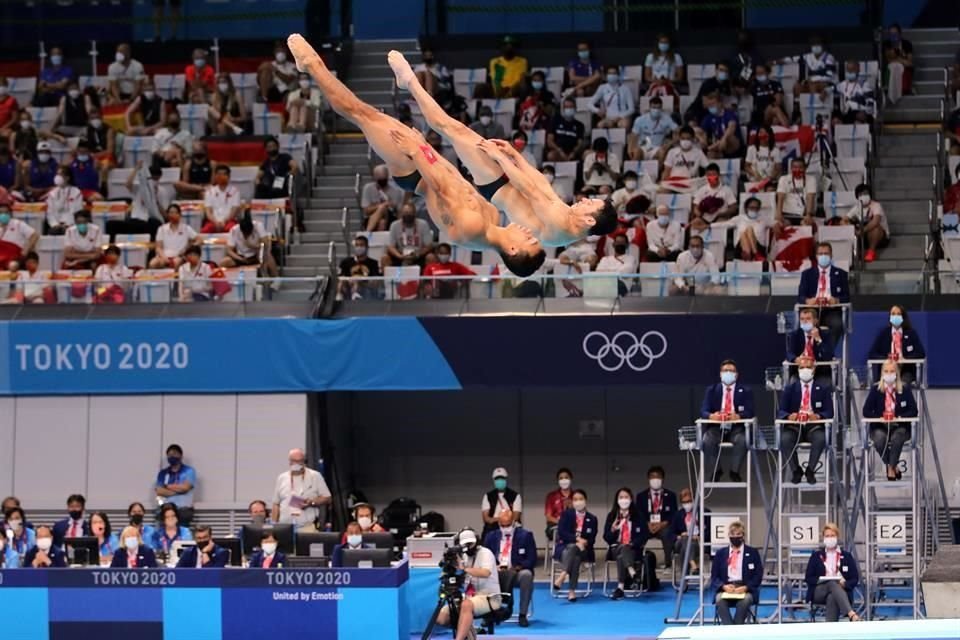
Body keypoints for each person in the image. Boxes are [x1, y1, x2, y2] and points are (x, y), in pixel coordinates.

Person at [290, 35, 544, 276]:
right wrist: (428, 150)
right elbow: (454, 178)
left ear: (513, 250)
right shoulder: (493, 217)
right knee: (371, 116)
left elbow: (441, 187)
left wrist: (417, 151)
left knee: (363, 114)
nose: (529, 233)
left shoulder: (474, 230)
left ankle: (311, 65)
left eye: (529, 240)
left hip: (416, 172)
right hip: (428, 163)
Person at [778, 354, 834, 484]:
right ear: (798, 370)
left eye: (808, 367)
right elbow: (781, 411)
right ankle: (796, 470)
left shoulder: (823, 388)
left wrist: (818, 416)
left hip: (813, 427)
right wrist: (789, 416)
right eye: (801, 367)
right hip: (794, 426)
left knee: (821, 438)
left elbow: (829, 412)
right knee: (784, 439)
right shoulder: (790, 389)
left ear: (814, 369)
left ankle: (810, 470)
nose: (805, 370)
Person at [436, 528, 501, 640]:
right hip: (469, 597)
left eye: (471, 544)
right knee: (441, 617)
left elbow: (485, 572)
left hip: (490, 597)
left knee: (466, 605)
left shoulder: (486, 553)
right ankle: (469, 631)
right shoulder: (464, 556)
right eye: (466, 544)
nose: (469, 547)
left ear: (476, 542)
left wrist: (464, 568)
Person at [863, 359, 919, 482]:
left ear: (897, 373)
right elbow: (866, 411)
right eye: (886, 371)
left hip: (899, 426)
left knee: (897, 437)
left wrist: (898, 417)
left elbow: (914, 411)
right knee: (879, 438)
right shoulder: (875, 390)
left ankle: (890, 467)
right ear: (882, 373)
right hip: (880, 426)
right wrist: (879, 417)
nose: (889, 374)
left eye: (892, 371)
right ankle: (892, 466)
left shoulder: (905, 389)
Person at [700, 360, 753, 482]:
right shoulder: (711, 390)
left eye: (731, 371)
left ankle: (734, 471)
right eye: (725, 371)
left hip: (736, 428)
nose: (728, 373)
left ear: (736, 375)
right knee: (707, 440)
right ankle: (716, 470)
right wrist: (711, 416)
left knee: (743, 440)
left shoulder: (745, 391)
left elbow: (750, 412)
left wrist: (739, 416)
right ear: (720, 374)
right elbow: (703, 410)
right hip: (716, 427)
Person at [483, 509, 536, 625]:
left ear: (514, 522)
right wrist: (493, 567)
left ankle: (522, 615)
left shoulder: (526, 535)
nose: (505, 527)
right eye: (503, 525)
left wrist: (517, 568)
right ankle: (489, 614)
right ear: (498, 524)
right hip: (496, 573)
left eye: (508, 525)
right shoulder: (490, 537)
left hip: (516, 571)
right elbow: (483, 557)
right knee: (482, 575)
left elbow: (532, 560)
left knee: (527, 575)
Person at [804, 523, 861, 621]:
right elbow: (808, 577)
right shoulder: (816, 556)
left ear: (837, 537)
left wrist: (845, 584)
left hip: (840, 591)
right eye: (827, 536)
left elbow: (855, 578)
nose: (830, 538)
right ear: (823, 538)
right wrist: (820, 580)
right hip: (819, 591)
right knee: (831, 583)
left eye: (832, 535)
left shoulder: (846, 556)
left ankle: (830, 631)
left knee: (832, 597)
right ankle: (851, 613)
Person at [797, 242, 850, 347]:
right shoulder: (807, 274)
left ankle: (826, 352)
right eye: (820, 254)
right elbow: (800, 297)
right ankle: (808, 353)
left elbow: (847, 297)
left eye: (826, 253)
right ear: (816, 256)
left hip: (832, 310)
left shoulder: (841, 274)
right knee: (804, 323)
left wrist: (837, 301)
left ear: (831, 255)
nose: (823, 256)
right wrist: (808, 301)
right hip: (812, 310)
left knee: (837, 324)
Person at [711, 521, 763, 625]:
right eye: (733, 534)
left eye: (738, 534)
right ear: (729, 536)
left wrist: (746, 587)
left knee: (744, 602)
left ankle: (735, 630)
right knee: (719, 601)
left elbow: (758, 575)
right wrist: (724, 587)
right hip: (726, 589)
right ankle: (731, 630)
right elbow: (714, 577)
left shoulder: (753, 553)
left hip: (745, 589)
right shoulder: (721, 554)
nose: (735, 537)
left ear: (743, 536)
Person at [553, 489, 597, 601]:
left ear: (585, 501)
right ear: (572, 502)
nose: (578, 502)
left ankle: (563, 575)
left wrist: (584, 542)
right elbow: (562, 533)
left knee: (576, 551)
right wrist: (577, 540)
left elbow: (592, 539)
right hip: (565, 548)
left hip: (585, 551)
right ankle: (571, 591)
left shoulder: (592, 519)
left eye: (581, 499)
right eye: (575, 499)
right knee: (575, 557)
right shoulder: (566, 514)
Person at [272, 448, 331, 530]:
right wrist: (273, 526)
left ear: (304, 461)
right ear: (289, 461)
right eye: (294, 460)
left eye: (299, 461)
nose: (296, 463)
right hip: (284, 527)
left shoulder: (315, 476)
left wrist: (312, 502)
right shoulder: (282, 478)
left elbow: (327, 498)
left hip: (307, 526)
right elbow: (276, 504)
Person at [603, 488, 646, 599]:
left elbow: (644, 536)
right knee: (622, 548)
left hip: (633, 549)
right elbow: (607, 538)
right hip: (615, 549)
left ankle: (620, 587)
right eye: (621, 497)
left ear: (631, 499)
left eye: (626, 497)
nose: (623, 500)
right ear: (617, 500)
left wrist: (632, 544)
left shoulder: (638, 516)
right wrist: (612, 530)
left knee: (623, 553)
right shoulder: (612, 516)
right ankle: (632, 572)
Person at [867, 305, 926, 384]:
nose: (896, 316)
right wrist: (887, 359)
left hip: (906, 371)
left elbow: (921, 353)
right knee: (883, 384)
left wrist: (905, 359)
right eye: (893, 314)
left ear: (903, 317)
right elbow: (872, 354)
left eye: (898, 314)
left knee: (902, 386)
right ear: (890, 317)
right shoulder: (884, 334)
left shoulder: (911, 333)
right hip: (887, 370)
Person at [636, 466, 678, 567]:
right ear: (648, 479)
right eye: (652, 477)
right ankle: (637, 562)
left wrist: (663, 523)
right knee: (637, 534)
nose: (655, 480)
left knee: (668, 534)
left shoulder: (671, 495)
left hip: (663, 526)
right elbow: (638, 513)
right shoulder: (641, 496)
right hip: (647, 526)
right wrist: (647, 524)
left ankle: (668, 564)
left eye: (658, 477)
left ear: (662, 479)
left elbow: (674, 514)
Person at [843, 184, 888, 263]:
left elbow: (876, 221)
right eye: (861, 194)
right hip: (862, 236)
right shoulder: (856, 208)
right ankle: (856, 254)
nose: (863, 196)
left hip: (879, 236)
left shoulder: (876, 205)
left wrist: (862, 230)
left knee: (875, 228)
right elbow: (843, 220)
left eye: (865, 193)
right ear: (857, 197)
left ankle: (871, 252)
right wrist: (853, 230)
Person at [382, 203, 434, 269]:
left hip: (418, 255)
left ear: (415, 213)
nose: (408, 215)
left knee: (430, 257)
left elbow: (429, 246)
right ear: (401, 214)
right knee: (385, 258)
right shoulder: (394, 225)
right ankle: (389, 279)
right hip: (400, 255)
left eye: (410, 213)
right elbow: (391, 246)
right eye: (405, 213)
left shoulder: (423, 224)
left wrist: (418, 254)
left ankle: (428, 279)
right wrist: (399, 256)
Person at [787, 307, 835, 376]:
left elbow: (828, 356)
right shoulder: (795, 335)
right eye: (802, 319)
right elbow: (789, 353)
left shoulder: (825, 334)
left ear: (815, 321)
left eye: (808, 319)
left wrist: (818, 339)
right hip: (800, 372)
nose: (804, 321)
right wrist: (796, 359)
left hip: (820, 372)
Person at [628, 95, 678, 162]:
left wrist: (670, 143)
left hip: (657, 147)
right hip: (643, 146)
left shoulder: (666, 118)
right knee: (636, 151)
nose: (656, 110)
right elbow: (633, 135)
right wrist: (629, 148)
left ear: (661, 108)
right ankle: (635, 171)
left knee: (662, 152)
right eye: (654, 107)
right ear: (649, 107)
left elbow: (678, 130)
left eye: (658, 108)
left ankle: (657, 171)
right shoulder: (640, 119)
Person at [155, 444, 196, 523]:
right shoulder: (163, 473)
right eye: (169, 455)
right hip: (165, 508)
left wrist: (167, 486)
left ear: (180, 455)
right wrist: (179, 490)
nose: (172, 456)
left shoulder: (189, 471)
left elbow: (186, 488)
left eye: (174, 453)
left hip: (184, 509)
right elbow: (159, 491)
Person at [670, 487, 706, 575]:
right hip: (680, 541)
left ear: (694, 500)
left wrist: (699, 536)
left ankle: (684, 580)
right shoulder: (677, 515)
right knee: (686, 538)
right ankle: (693, 564)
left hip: (698, 543)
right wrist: (679, 536)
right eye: (684, 502)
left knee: (684, 549)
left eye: (689, 501)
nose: (687, 504)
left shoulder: (704, 512)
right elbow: (670, 533)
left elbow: (709, 531)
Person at [691, 163, 737, 230]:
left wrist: (723, 213)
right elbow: (695, 206)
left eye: (714, 174)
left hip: (720, 217)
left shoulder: (727, 190)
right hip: (705, 218)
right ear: (706, 176)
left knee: (721, 224)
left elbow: (733, 207)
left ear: (719, 175)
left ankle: (709, 230)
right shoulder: (702, 189)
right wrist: (698, 213)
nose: (711, 177)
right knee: (694, 224)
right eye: (709, 175)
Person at [150, 204, 198, 269]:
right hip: (164, 256)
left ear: (180, 215)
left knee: (176, 262)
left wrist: (188, 248)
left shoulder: (186, 228)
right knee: (153, 263)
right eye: (170, 213)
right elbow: (158, 247)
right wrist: (164, 257)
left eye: (175, 212)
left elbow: (199, 239)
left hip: (179, 256)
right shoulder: (161, 229)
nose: (172, 215)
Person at [361, 164, 405, 233]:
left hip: (391, 218)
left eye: (384, 179)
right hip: (371, 217)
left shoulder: (396, 191)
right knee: (382, 217)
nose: (382, 182)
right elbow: (366, 210)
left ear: (387, 177)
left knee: (383, 213)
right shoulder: (368, 188)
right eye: (380, 180)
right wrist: (382, 205)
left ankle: (368, 231)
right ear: (374, 178)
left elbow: (399, 212)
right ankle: (370, 231)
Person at [481, 466, 522, 539]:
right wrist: (501, 519)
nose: (500, 481)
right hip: (493, 527)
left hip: (511, 525)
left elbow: (516, 516)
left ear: (506, 479)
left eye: (502, 478)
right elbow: (486, 518)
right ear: (494, 480)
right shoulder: (488, 496)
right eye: (497, 479)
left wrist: (505, 521)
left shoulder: (515, 496)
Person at [776, 157, 816, 227]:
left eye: (800, 167)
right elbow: (780, 197)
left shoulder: (811, 179)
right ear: (791, 168)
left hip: (804, 215)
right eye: (795, 167)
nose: (797, 170)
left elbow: (810, 198)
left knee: (806, 226)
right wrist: (779, 213)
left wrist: (809, 214)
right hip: (787, 214)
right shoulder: (784, 179)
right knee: (779, 226)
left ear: (805, 168)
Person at [202, 165, 242, 233]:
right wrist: (215, 222)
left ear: (229, 177)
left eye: (224, 174)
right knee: (205, 230)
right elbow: (208, 211)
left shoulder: (235, 191)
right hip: (213, 221)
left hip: (229, 220)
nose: (221, 176)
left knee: (232, 230)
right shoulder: (210, 191)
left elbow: (234, 210)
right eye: (219, 174)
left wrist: (224, 221)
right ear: (215, 176)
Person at [44, 167, 84, 234]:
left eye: (60, 174)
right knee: (53, 232)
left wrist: (68, 224)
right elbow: (50, 213)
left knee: (68, 231)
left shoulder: (76, 192)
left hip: (71, 225)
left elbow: (78, 211)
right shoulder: (52, 194)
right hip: (56, 226)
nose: (57, 177)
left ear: (67, 178)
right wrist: (55, 224)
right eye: (57, 174)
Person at [644, 34, 685, 98]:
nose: (663, 44)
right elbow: (647, 76)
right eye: (662, 42)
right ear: (658, 44)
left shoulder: (677, 57)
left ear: (669, 44)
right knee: (655, 90)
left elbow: (680, 77)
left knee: (665, 88)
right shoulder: (650, 57)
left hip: (670, 84)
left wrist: (668, 81)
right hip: (655, 83)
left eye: (666, 42)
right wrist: (656, 81)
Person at [546, 97, 587, 162]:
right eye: (567, 107)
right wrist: (560, 151)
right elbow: (549, 141)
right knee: (551, 155)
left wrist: (573, 152)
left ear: (575, 108)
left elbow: (580, 143)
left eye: (571, 107)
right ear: (563, 109)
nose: (569, 109)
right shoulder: (555, 121)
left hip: (573, 153)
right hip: (558, 151)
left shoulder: (580, 125)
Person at [835, 60, 876, 124]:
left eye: (852, 70)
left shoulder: (864, 84)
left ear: (858, 70)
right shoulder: (842, 84)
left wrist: (865, 112)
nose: (850, 73)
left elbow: (870, 102)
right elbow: (832, 89)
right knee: (835, 120)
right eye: (848, 71)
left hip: (859, 113)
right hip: (845, 114)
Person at [0, 203, 39, 270]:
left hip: (15, 257)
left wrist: (25, 251)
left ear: (10, 214)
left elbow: (35, 235)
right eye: (1, 213)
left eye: (6, 212)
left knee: (12, 265)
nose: (3, 215)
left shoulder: (18, 224)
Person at [883, 24, 913, 105]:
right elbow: (888, 60)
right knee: (894, 67)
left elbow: (909, 63)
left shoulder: (907, 44)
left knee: (898, 66)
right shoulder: (886, 44)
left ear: (900, 34)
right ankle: (893, 95)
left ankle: (898, 92)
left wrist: (898, 59)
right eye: (891, 34)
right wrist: (901, 60)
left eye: (895, 33)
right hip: (891, 67)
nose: (894, 36)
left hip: (904, 68)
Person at [735, 196, 770, 261]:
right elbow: (724, 224)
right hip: (741, 248)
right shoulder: (739, 218)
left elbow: (775, 223)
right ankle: (755, 254)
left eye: (756, 208)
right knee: (743, 234)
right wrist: (710, 225)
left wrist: (782, 222)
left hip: (759, 246)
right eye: (752, 208)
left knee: (748, 230)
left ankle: (750, 255)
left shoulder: (763, 219)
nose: (754, 210)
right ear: (746, 208)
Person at [544, 468, 574, 540]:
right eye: (561, 478)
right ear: (558, 481)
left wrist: (572, 507)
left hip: (573, 525)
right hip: (556, 525)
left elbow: (583, 513)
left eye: (566, 477)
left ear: (571, 479)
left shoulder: (576, 495)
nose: (564, 480)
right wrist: (561, 522)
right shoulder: (551, 496)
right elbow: (548, 517)